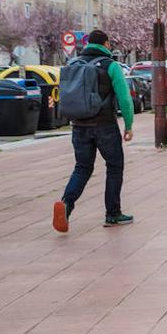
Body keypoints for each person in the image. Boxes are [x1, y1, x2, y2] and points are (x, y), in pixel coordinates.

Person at [53, 29, 135, 233]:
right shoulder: (111, 66)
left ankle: (66, 204)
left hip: (79, 126)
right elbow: (125, 99)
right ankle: (113, 214)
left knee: (82, 167)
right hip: (104, 125)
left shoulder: (73, 65)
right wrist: (129, 125)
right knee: (114, 167)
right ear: (106, 44)